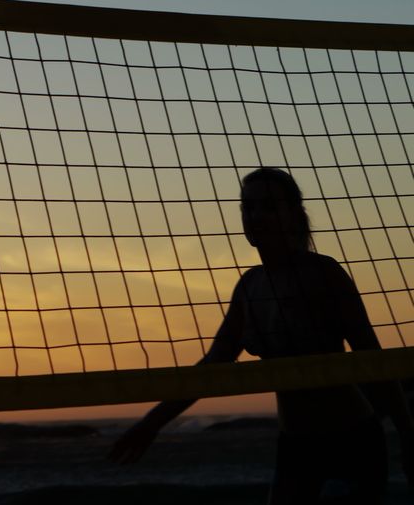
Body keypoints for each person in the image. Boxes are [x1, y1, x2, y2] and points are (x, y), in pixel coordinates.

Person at [108, 167, 414, 504]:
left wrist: (408, 434)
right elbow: (212, 366)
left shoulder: (323, 273)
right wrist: (152, 423)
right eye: (248, 207)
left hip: (350, 437)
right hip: (295, 443)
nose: (255, 215)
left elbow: (374, 359)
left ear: (293, 214)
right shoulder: (250, 287)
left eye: (268, 206)